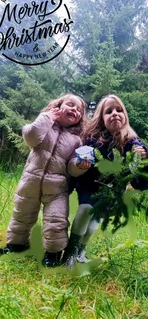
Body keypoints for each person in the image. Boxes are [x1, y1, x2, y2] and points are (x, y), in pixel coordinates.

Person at [0, 94, 88, 267]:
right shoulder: (45, 125)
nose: (75, 110)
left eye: (79, 110)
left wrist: (81, 165)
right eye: (70, 105)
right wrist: (48, 117)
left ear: (80, 118)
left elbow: (71, 168)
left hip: (57, 189)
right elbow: (30, 136)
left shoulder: (77, 140)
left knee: (56, 220)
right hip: (30, 181)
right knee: (21, 215)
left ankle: (53, 253)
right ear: (58, 106)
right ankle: (16, 245)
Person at [63, 94, 148, 268]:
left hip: (113, 193)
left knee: (94, 223)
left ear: (125, 116)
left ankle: (81, 251)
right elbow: (79, 161)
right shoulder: (93, 139)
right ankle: (69, 254)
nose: (115, 113)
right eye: (109, 111)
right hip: (91, 187)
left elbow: (138, 178)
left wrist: (144, 158)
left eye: (119, 110)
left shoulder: (133, 143)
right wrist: (77, 174)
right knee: (86, 210)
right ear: (102, 119)